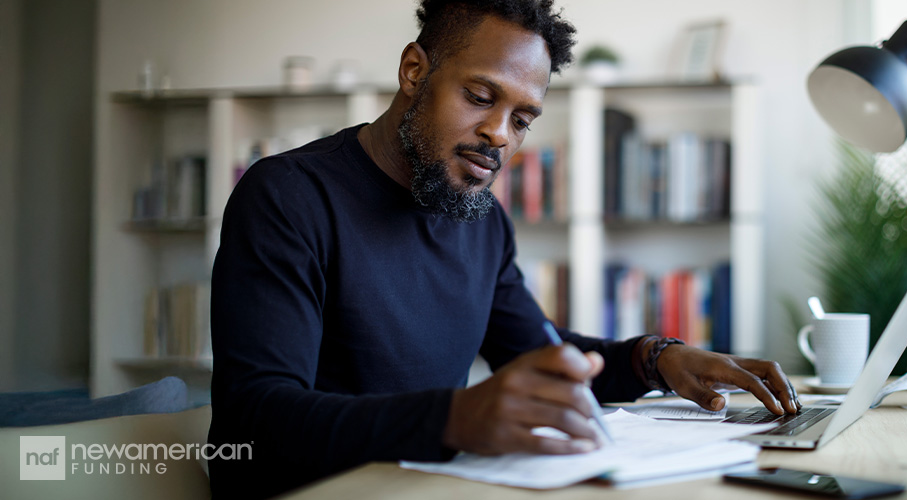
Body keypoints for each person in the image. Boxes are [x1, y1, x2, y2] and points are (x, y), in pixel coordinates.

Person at [207, 0, 800, 497]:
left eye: (523, 118)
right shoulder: (288, 197)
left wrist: (656, 359)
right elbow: (256, 419)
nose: (499, 134)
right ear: (414, 70)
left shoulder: (483, 220)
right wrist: (455, 418)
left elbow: (537, 355)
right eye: (481, 96)